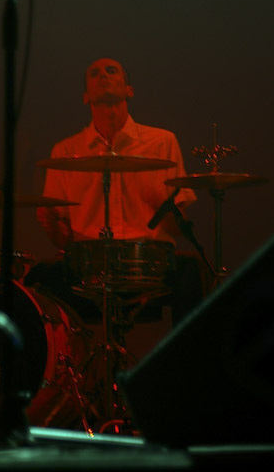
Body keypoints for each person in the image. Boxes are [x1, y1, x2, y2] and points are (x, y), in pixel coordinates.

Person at [30, 58, 210, 328]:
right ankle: (61, 365)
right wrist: (51, 227)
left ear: (129, 90)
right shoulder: (65, 151)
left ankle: (185, 365)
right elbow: (63, 241)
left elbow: (177, 229)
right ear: (85, 96)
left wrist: (161, 206)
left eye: (111, 71)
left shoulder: (162, 142)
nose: (104, 75)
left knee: (193, 271)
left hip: (149, 261)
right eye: (95, 73)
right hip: (89, 264)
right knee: (38, 277)